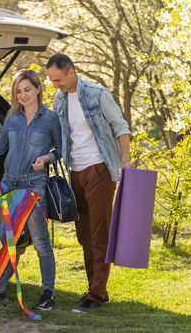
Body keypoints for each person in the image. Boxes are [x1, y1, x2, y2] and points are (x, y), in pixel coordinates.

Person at [46, 54, 131, 313]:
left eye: (58, 79)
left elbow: (120, 126)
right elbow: (62, 138)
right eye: (51, 81)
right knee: (84, 234)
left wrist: (125, 161)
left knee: (99, 232)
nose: (55, 85)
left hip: (100, 168)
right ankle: (93, 288)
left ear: (71, 71)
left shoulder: (97, 93)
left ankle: (97, 294)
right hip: (76, 170)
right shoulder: (59, 100)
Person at [0, 69, 61, 311]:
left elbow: (61, 151)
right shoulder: (13, 118)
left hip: (34, 188)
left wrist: (47, 158)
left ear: (38, 88)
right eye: (18, 91)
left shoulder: (51, 119)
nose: (23, 95)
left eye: (27, 90)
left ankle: (48, 293)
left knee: (40, 242)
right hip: (8, 184)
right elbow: (0, 146)